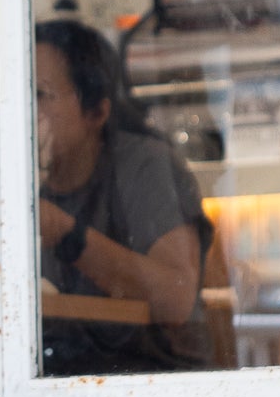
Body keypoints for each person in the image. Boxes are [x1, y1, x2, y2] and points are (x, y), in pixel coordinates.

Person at [35, 19, 213, 374]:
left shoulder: (143, 166)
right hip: (56, 377)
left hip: (145, 386)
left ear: (97, 111)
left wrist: (65, 233)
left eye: (40, 95)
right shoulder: (11, 177)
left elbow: (175, 299)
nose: (25, 112)